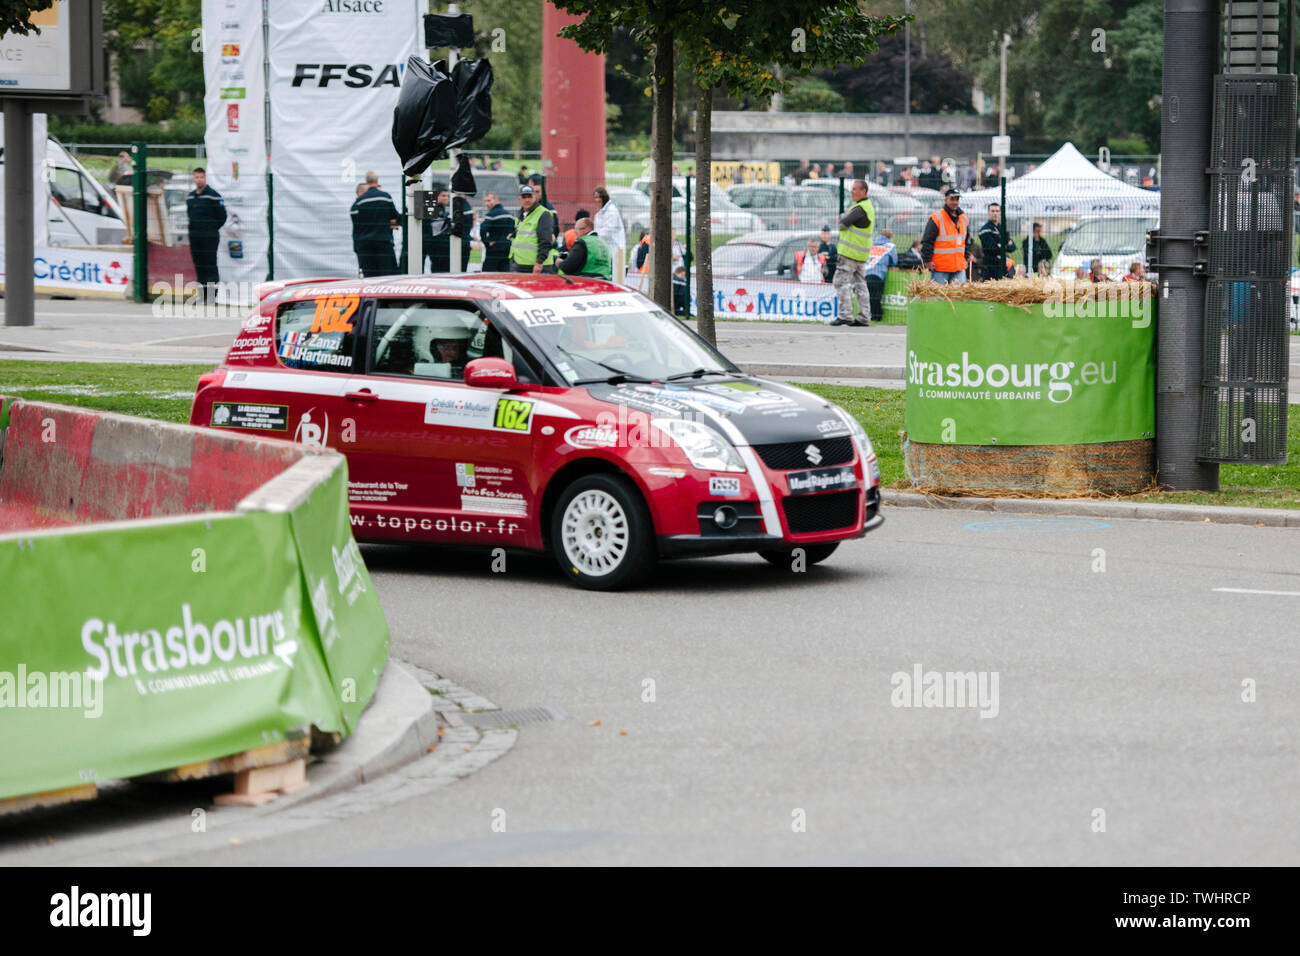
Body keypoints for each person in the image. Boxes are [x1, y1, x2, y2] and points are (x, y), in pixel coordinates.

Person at [831, 179, 875, 326]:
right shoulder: (868, 207)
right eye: (852, 189)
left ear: (864, 191)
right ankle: (864, 317)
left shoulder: (859, 208)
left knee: (841, 283)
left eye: (855, 189)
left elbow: (842, 224)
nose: (852, 191)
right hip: (861, 255)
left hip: (849, 254)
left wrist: (843, 216)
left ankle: (845, 315)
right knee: (861, 285)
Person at [186, 167, 227, 302]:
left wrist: (210, 229)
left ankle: (211, 296)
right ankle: (202, 295)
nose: (199, 180)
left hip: (209, 237)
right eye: (197, 177)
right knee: (199, 265)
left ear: (205, 178)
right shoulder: (190, 196)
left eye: (201, 177)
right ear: (193, 179)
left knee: (210, 265)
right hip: (194, 237)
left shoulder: (213, 195)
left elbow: (222, 217)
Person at [350, 172, 399, 277]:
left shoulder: (359, 201)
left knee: (369, 275)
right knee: (386, 273)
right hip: (383, 241)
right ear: (377, 181)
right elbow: (394, 216)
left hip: (365, 244)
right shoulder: (385, 197)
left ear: (367, 181)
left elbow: (356, 223)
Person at [921, 189, 973, 285]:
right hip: (940, 268)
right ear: (946, 200)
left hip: (959, 267)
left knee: (958, 298)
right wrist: (927, 260)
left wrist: (966, 256)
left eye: (957, 199)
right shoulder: (937, 218)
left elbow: (967, 240)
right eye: (952, 199)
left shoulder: (964, 218)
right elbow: (927, 241)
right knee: (938, 298)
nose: (955, 202)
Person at [509, 184, 558, 273]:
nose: (527, 200)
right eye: (524, 197)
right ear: (519, 199)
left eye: (530, 196)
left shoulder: (543, 214)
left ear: (535, 198)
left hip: (537, 267)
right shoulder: (521, 214)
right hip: (520, 265)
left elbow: (546, 241)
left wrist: (539, 262)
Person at [863, 227, 898, 322]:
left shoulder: (871, 244)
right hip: (878, 274)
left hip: (866, 272)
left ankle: (869, 316)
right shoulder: (890, 246)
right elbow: (895, 261)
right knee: (876, 297)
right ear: (890, 237)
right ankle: (877, 316)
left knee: (869, 297)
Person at [977, 203, 1016, 281]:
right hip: (990, 268)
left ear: (1000, 213)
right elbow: (993, 248)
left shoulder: (1001, 228)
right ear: (988, 213)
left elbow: (1013, 247)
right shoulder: (985, 230)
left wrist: (1001, 246)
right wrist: (1005, 246)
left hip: (1002, 266)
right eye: (992, 211)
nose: (995, 213)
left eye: (997, 211)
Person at [480, 191, 515, 272]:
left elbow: (482, 230)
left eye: (489, 200)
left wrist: (487, 243)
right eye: (485, 201)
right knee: (504, 274)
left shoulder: (491, 215)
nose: (486, 203)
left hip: (494, 250)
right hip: (507, 249)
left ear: (496, 200)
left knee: (488, 275)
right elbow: (514, 230)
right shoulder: (509, 214)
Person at [592, 185, 626, 267]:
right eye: (595, 197)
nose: (596, 200)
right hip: (604, 249)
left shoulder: (612, 211)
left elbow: (608, 230)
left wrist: (595, 237)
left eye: (598, 197)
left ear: (604, 197)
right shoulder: (599, 214)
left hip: (615, 249)